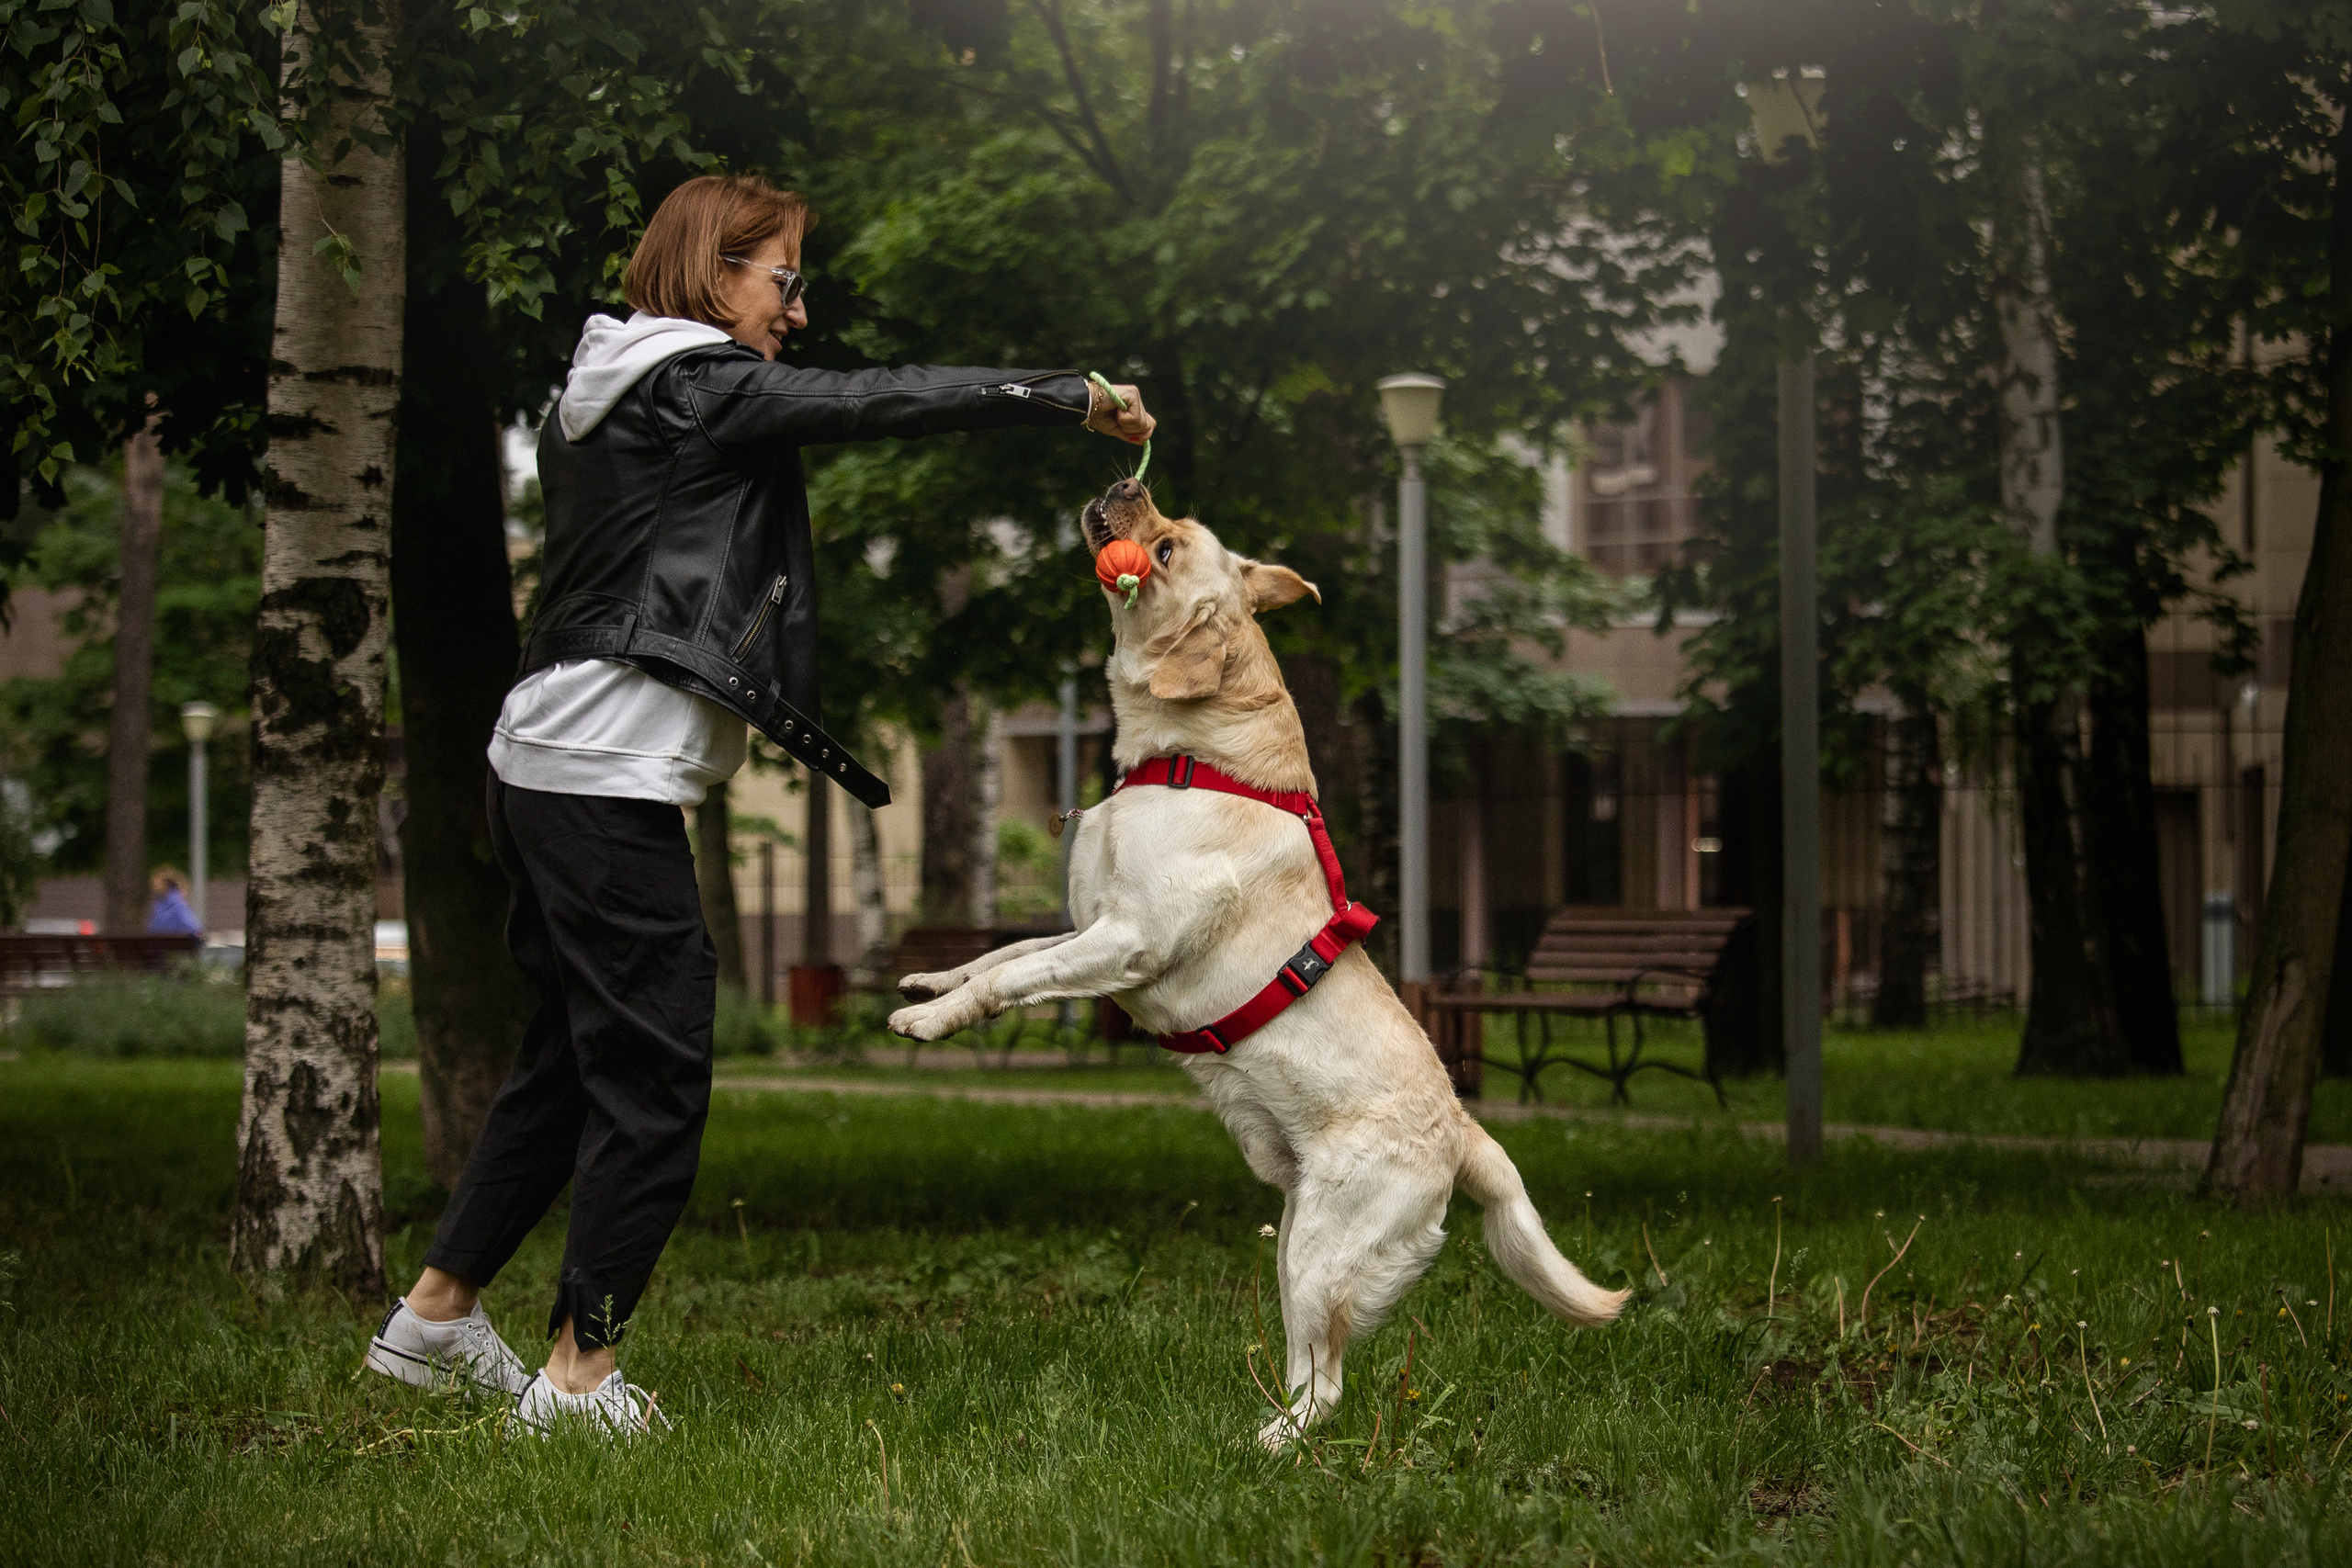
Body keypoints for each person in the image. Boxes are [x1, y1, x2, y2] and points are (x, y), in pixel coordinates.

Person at [362, 174, 1152, 1438]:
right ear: (713, 272)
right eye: (782, 279)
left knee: (566, 1059)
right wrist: (1067, 393)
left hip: (547, 766)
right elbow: (870, 400)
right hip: (596, 779)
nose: (796, 310)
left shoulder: (609, 391)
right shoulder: (695, 383)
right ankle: (578, 1379)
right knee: (657, 1070)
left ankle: (434, 1318)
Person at [145, 870, 202, 937]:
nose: (153, 888)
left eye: (156, 885)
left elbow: (193, 928)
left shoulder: (177, 905)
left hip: (173, 943)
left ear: (165, 884)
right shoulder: (159, 904)